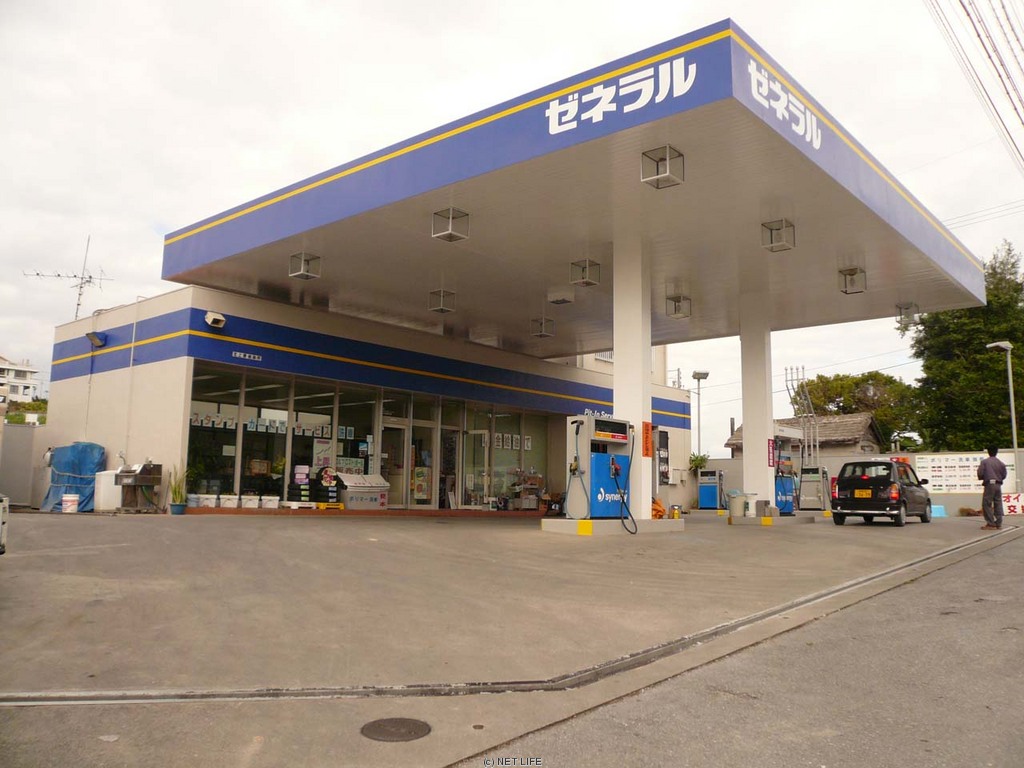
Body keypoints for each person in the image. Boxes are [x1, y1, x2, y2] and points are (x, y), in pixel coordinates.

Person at [977, 446, 1008, 530]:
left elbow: (980, 473)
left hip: (989, 484)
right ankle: (998, 523)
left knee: (987, 503)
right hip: (998, 484)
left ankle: (991, 523)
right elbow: (1004, 475)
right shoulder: (1001, 463)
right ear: (996, 452)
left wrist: (983, 477)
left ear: (988, 452)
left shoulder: (984, 462)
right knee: (998, 503)